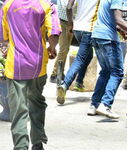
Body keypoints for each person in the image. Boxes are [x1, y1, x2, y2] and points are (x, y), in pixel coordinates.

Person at [0, 0, 61, 149]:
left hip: (15, 66)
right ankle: (38, 143)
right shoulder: (46, 5)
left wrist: (6, 46)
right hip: (37, 65)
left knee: (18, 110)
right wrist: (52, 47)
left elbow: (3, 36)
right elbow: (54, 31)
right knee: (36, 103)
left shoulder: (8, 5)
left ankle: (21, 147)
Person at [89, 0, 127, 119]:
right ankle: (105, 104)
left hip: (98, 35)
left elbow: (112, 20)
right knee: (117, 72)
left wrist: (122, 30)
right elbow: (118, 19)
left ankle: (94, 105)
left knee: (105, 71)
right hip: (108, 38)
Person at [56, 0, 100, 105]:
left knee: (88, 55)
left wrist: (71, 23)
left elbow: (68, 7)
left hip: (77, 27)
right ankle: (65, 85)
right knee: (80, 59)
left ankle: (79, 82)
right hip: (89, 29)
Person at [49, 0, 73, 83]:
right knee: (64, 48)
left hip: (70, 21)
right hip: (62, 21)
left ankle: (60, 72)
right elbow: (66, 7)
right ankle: (55, 74)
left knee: (66, 49)